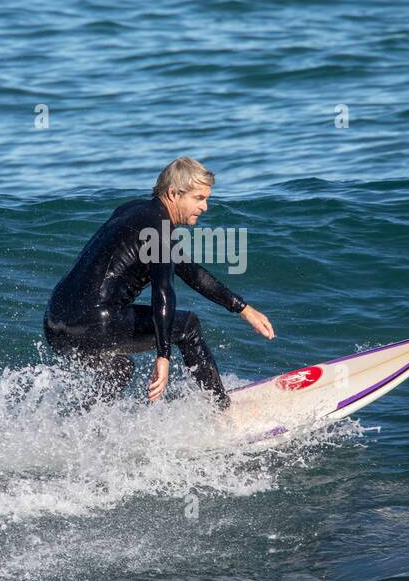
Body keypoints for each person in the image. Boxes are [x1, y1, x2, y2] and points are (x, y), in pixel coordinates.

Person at [43, 157, 274, 409]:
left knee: (118, 369)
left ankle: (85, 426)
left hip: (56, 324)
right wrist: (163, 356)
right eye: (199, 198)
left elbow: (192, 273)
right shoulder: (159, 230)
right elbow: (163, 293)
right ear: (174, 194)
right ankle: (223, 411)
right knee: (187, 326)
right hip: (95, 321)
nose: (205, 207)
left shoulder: (132, 209)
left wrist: (243, 308)